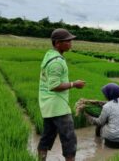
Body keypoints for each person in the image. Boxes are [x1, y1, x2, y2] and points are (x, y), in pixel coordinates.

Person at [37, 28, 86, 161]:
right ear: (57, 43)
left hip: (48, 105)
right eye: (67, 41)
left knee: (47, 136)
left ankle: (41, 159)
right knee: (69, 138)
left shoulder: (49, 55)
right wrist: (74, 84)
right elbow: (54, 85)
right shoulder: (57, 62)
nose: (71, 43)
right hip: (58, 106)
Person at [85, 83, 119, 148]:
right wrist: (97, 102)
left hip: (112, 137)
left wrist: (88, 116)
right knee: (111, 118)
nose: (105, 96)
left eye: (105, 95)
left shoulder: (107, 107)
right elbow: (113, 104)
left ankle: (97, 143)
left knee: (101, 124)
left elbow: (99, 122)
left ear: (110, 95)